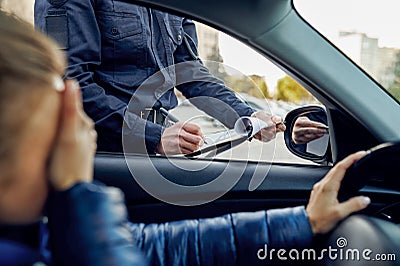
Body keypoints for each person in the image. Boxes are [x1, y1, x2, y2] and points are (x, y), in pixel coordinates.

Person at [0, 10, 371, 266]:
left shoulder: (50, 235)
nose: (71, 130)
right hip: (120, 146)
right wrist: (83, 185)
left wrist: (248, 117)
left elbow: (153, 248)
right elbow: (73, 75)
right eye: (54, 118)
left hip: (158, 144)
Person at [34, 0, 286, 155]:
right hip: (102, 154)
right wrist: (151, 137)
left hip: (159, 148)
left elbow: (190, 73)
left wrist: (247, 117)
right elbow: (70, 82)